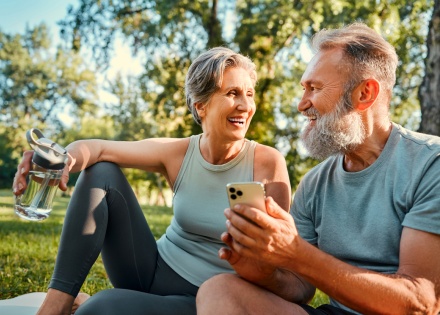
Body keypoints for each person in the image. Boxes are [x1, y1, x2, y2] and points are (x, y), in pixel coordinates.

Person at [12, 47, 291, 315]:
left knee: (99, 309)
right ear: (201, 106)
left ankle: (104, 304)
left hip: (208, 299)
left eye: (249, 94)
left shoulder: (267, 162)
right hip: (151, 269)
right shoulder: (179, 153)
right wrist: (60, 160)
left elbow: (278, 261)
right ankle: (56, 305)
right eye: (233, 93)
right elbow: (97, 149)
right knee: (101, 172)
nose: (245, 105)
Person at [196, 23, 440, 314]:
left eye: (315, 88)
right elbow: (300, 287)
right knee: (220, 289)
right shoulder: (314, 183)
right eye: (303, 89)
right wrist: (260, 270)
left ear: (365, 94)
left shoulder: (430, 164)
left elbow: (420, 303)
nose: (302, 104)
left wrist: (298, 254)